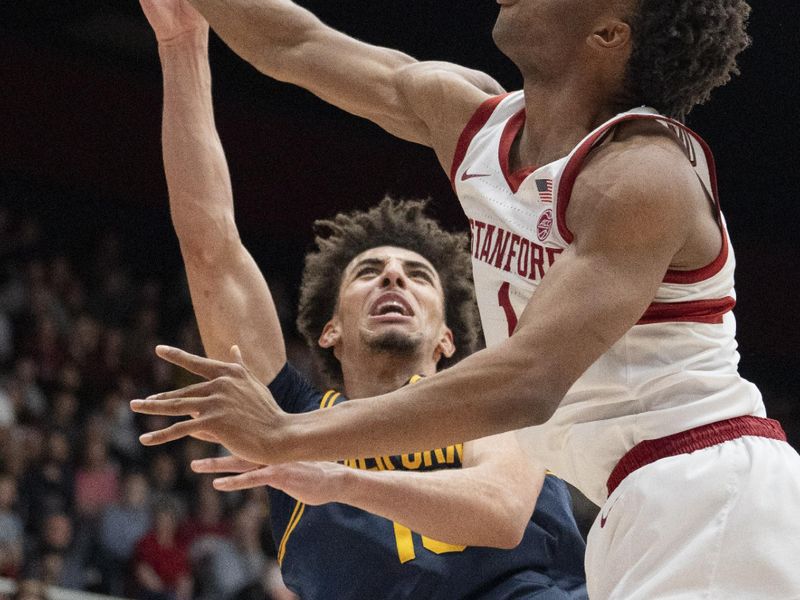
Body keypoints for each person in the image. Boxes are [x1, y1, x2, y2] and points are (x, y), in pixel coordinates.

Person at [130, 0, 800, 598]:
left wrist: (286, 436)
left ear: (607, 31)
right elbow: (293, 44)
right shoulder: (474, 120)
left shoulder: (642, 173)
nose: (393, 282)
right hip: (636, 505)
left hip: (707, 487)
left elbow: (528, 379)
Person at [135, 1, 587, 598]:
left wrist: (339, 480)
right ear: (329, 331)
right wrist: (181, 45)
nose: (393, 279)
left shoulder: (488, 395)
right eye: (369, 272)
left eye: (417, 276)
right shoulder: (294, 417)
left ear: (447, 338)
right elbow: (211, 246)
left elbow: (499, 511)